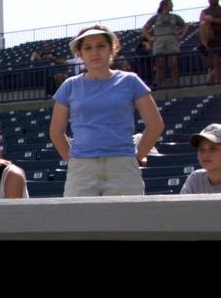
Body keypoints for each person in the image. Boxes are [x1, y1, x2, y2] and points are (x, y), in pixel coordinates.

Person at [49, 25, 164, 197]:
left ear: (112, 48)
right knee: (79, 222)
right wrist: (73, 161)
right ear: (80, 53)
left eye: (101, 46)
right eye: (88, 48)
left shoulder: (130, 81)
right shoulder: (69, 86)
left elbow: (155, 125)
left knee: (126, 222)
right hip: (82, 169)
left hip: (123, 167)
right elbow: (56, 132)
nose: (95, 52)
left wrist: (135, 157)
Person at [142, 0, 189, 89]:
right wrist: (150, 38)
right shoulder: (155, 17)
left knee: (174, 64)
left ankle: (176, 85)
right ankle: (160, 86)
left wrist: (181, 36)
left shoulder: (175, 17)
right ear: (165, 5)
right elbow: (144, 28)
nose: (172, 6)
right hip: (159, 40)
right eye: (171, 4)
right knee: (160, 65)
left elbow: (186, 25)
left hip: (172, 39)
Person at [180, 123, 221, 195]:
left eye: (213, 148)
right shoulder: (195, 179)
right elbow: (183, 206)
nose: (205, 154)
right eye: (201, 149)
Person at [198, 0, 221, 83]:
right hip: (211, 37)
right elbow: (201, 21)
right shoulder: (205, 11)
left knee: (217, 63)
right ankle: (204, 45)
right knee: (214, 62)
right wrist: (208, 20)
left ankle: (215, 81)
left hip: (219, 36)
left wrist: (213, 20)